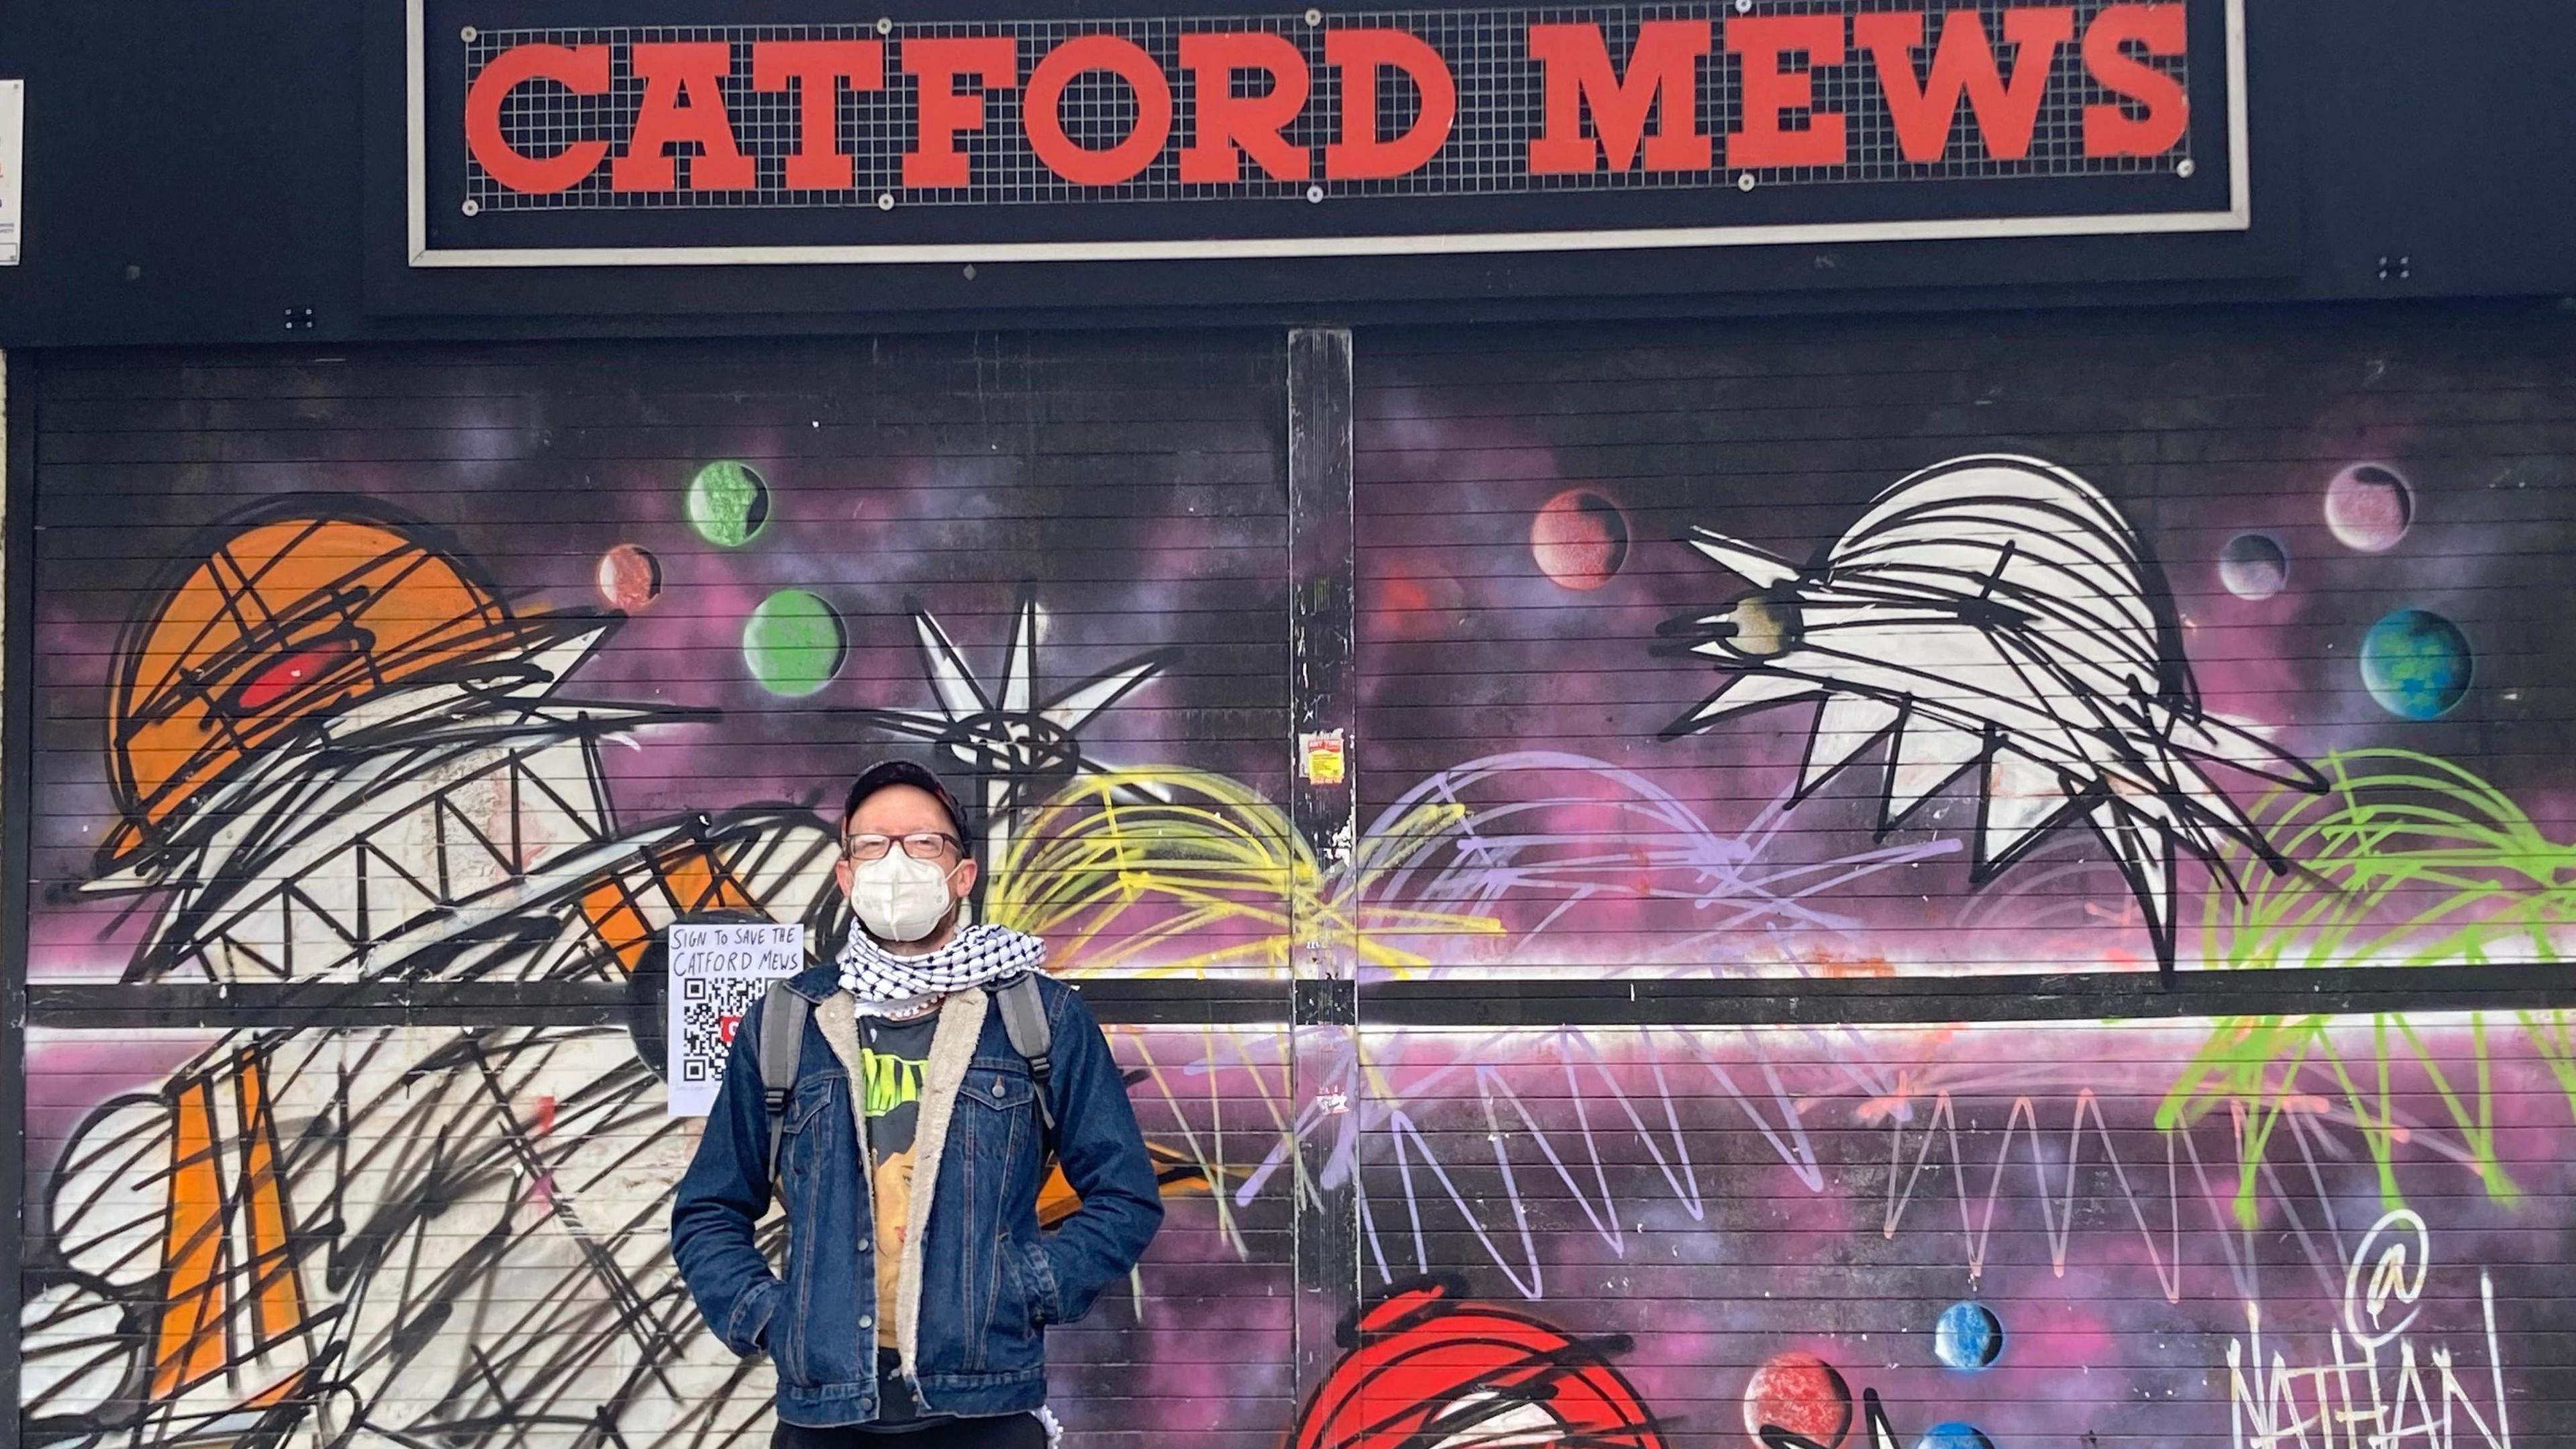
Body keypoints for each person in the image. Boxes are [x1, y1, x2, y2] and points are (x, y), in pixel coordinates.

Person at [674, 760, 1164, 1447]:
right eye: (872, 845)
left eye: (923, 843)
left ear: (962, 876)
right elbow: (709, 1208)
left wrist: (1029, 1288)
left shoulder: (1037, 1017)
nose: (895, 862)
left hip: (986, 1411)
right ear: (845, 876)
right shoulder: (787, 1023)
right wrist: (769, 1316)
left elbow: (1125, 1195)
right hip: (827, 1415)